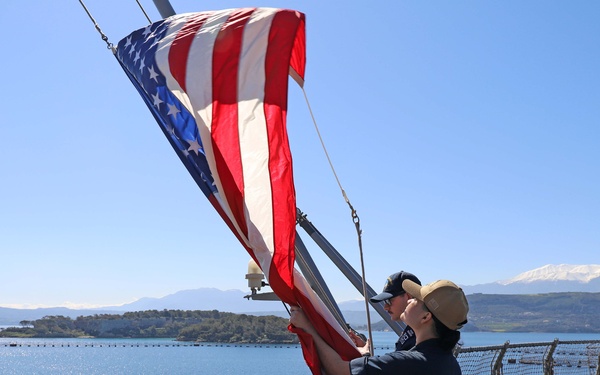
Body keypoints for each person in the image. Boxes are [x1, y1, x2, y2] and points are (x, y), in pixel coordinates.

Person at [290, 279, 469, 375]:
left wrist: (308, 328)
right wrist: (366, 356)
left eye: (416, 298)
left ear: (426, 317)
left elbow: (338, 370)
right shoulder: (450, 364)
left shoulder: (410, 362)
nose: (410, 300)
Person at [350, 271, 422, 354]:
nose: (385, 307)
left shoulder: (421, 338)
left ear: (408, 297)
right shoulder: (417, 332)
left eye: (389, 300)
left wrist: (365, 355)